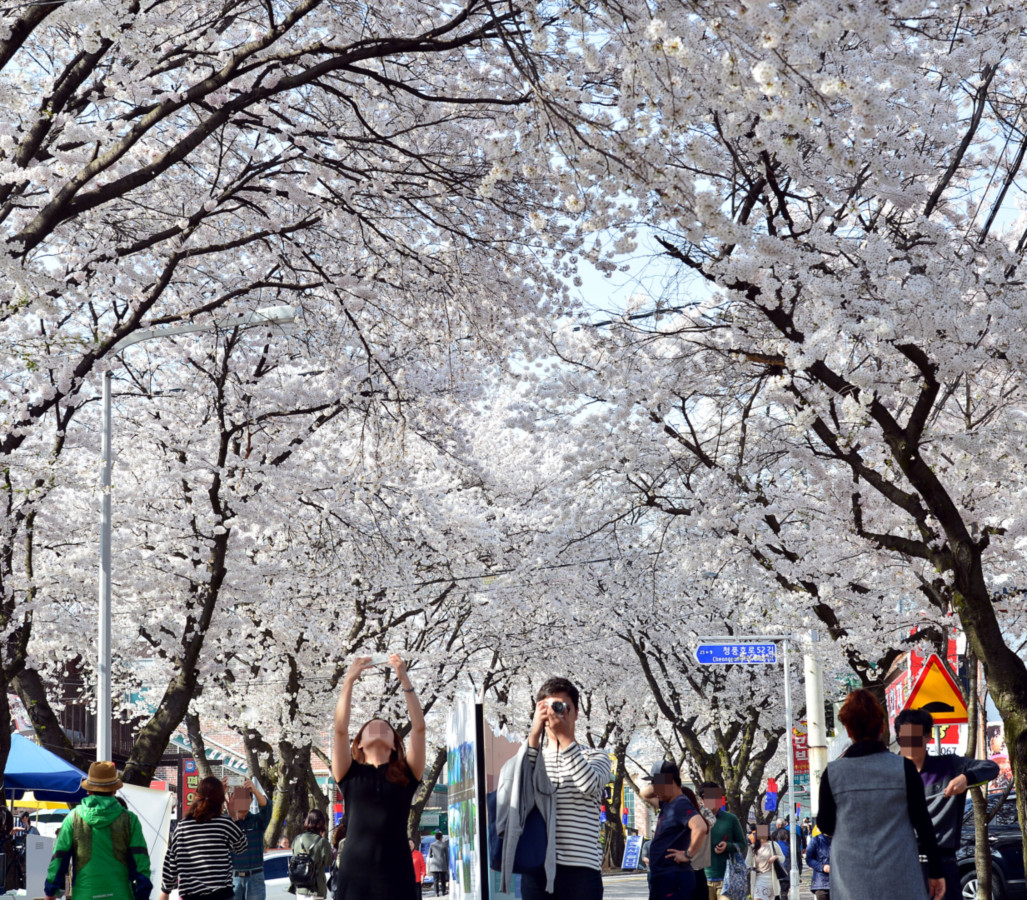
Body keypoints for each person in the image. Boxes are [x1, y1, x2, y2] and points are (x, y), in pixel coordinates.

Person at [817, 689, 945, 900]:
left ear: (848, 730)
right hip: (900, 877)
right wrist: (936, 872)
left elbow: (826, 825)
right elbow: (923, 824)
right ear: (882, 727)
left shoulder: (833, 773)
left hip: (851, 881)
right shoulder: (904, 768)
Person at [331, 653, 426, 900]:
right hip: (355, 874)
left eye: (385, 727)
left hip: (397, 873)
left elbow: (419, 728)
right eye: (369, 727)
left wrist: (404, 678)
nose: (377, 724)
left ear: (394, 745)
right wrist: (349, 680)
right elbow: (340, 730)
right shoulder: (349, 774)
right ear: (358, 744)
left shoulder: (407, 773)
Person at [521, 676, 612, 900]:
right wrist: (534, 734)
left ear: (576, 712)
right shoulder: (533, 755)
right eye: (549, 707)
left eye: (563, 707)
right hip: (537, 868)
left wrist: (565, 739)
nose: (556, 713)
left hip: (581, 869)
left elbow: (589, 784)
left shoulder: (595, 756)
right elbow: (520, 792)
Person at [895, 707, 999, 900]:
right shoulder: (890, 774)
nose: (909, 746)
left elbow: (991, 767)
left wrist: (966, 778)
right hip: (902, 866)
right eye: (903, 740)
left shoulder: (948, 765)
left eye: (914, 739)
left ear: (927, 737)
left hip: (943, 865)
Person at [44, 761, 152, 900]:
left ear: (88, 790)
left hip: (84, 894)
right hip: (121, 894)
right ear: (114, 790)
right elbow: (141, 861)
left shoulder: (73, 818)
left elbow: (59, 858)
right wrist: (142, 895)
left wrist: (51, 892)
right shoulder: (129, 819)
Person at [160, 775, 247, 900]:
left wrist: (165, 890)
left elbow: (171, 863)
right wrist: (234, 817)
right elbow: (242, 846)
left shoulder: (183, 827)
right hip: (221, 895)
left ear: (196, 796)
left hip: (192, 895)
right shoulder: (224, 824)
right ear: (221, 800)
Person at [642, 760, 706, 900]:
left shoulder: (680, 803)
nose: (654, 789)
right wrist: (658, 783)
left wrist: (688, 854)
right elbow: (644, 793)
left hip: (673, 877)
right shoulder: (667, 803)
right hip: (663, 876)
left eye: (657, 784)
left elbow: (700, 827)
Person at [698, 783, 745, 900]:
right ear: (701, 800)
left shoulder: (731, 819)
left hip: (726, 878)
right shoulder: (695, 819)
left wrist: (728, 846)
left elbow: (742, 844)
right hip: (701, 878)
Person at [228, 778, 271, 900]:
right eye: (238, 797)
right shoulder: (227, 822)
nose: (241, 800)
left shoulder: (257, 821)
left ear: (251, 800)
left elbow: (267, 808)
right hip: (233, 876)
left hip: (255, 876)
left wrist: (254, 790)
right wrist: (222, 791)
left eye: (245, 797)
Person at [289, 810, 333, 900]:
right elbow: (328, 862)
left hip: (300, 886)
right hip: (316, 887)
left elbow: (294, 855)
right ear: (321, 823)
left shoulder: (297, 839)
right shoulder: (322, 842)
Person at [680, 787, 713, 899]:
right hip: (699, 872)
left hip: (682, 872)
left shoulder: (679, 822)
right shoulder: (706, 820)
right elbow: (709, 812)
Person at [745, 826, 784, 900]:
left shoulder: (773, 845)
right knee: (757, 898)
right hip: (758, 878)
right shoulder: (753, 847)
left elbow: (782, 858)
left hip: (770, 878)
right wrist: (750, 869)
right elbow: (747, 863)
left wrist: (775, 857)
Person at [805, 828, 831, 900]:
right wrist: (822, 867)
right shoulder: (816, 840)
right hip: (821, 884)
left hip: (839, 884)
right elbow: (809, 859)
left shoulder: (842, 840)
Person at [427, 830, 449, 896]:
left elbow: (430, 855)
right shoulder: (444, 845)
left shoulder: (432, 845)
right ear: (441, 837)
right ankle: (443, 892)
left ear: (435, 838)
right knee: (443, 879)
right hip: (442, 864)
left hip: (434, 865)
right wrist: (447, 865)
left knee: (435, 880)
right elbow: (447, 856)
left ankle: (436, 893)